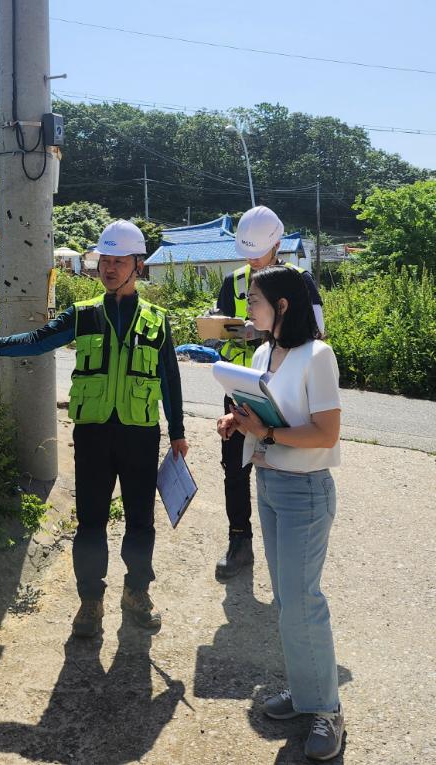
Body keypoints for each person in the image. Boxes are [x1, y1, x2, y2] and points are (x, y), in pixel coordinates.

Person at [0, 220, 188, 638]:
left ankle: (136, 593)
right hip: (94, 435)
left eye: (118, 261)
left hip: (139, 434)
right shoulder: (83, 315)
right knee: (91, 521)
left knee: (140, 522)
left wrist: (177, 432)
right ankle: (90, 603)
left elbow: (170, 377)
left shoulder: (158, 320)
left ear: (137, 265)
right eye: (104, 261)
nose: (109, 269)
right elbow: (36, 341)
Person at [217, 265, 344, 761]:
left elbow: (325, 433)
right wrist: (238, 421)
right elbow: (269, 413)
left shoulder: (318, 355)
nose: (247, 307)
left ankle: (327, 710)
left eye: (255, 299)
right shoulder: (264, 352)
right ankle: (306, 691)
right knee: (289, 602)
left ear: (283, 305)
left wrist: (264, 433)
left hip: (305, 490)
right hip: (269, 483)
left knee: (302, 601)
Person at [213, 205, 325, 580]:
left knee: (280, 459)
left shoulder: (298, 281)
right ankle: (239, 541)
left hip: (282, 391)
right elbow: (221, 322)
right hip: (240, 386)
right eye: (245, 253)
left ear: (276, 244)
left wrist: (260, 332)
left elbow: (316, 332)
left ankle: (287, 542)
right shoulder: (233, 281)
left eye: (258, 253)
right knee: (234, 466)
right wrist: (222, 328)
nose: (251, 261)